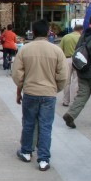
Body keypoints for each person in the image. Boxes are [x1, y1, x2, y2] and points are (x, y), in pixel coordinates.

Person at [12, 19, 68, 171]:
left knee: (29, 123)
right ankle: (43, 159)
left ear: (34, 32)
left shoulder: (25, 49)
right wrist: (55, 89)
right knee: (45, 126)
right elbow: (63, 75)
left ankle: (26, 152)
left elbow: (16, 73)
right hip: (49, 94)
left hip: (30, 92)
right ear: (48, 32)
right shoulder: (56, 50)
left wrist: (22, 87)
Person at [60, 24, 83, 107]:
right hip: (78, 60)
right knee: (76, 81)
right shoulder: (81, 38)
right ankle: (74, 101)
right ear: (81, 30)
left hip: (67, 59)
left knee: (67, 81)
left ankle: (66, 101)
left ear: (74, 29)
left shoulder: (65, 37)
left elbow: (60, 50)